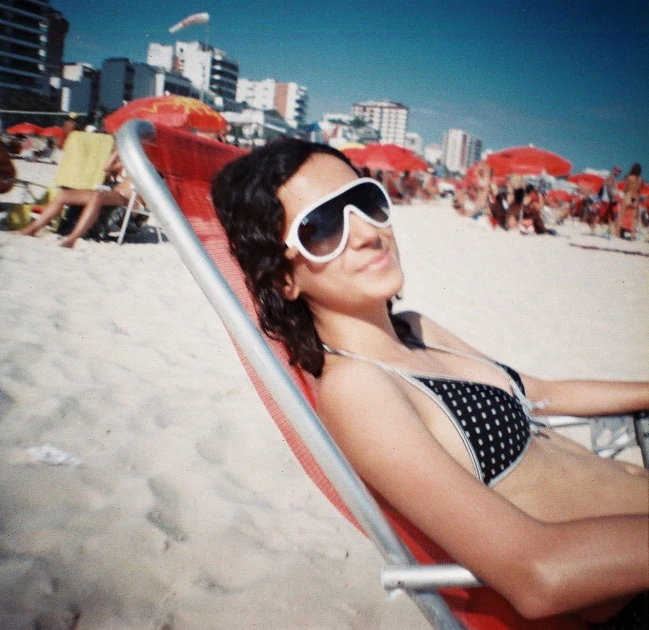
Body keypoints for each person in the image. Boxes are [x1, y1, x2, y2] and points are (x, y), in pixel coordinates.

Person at [211, 139, 648, 628]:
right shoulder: (358, 389)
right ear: (283, 280)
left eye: (367, 202)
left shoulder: (416, 329)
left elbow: (545, 393)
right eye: (323, 227)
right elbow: (535, 573)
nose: (367, 233)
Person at [20, 149, 137, 248]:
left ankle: (73, 238)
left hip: (125, 199)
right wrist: (118, 151)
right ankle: (31, 230)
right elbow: (106, 167)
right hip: (111, 193)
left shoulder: (145, 165)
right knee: (63, 195)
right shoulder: (129, 161)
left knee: (97, 196)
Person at [615, 163, 644, 240]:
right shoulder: (641, 179)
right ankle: (632, 236)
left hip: (628, 195)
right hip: (636, 198)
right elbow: (639, 190)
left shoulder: (628, 177)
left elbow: (625, 189)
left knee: (621, 216)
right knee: (634, 219)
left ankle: (617, 234)